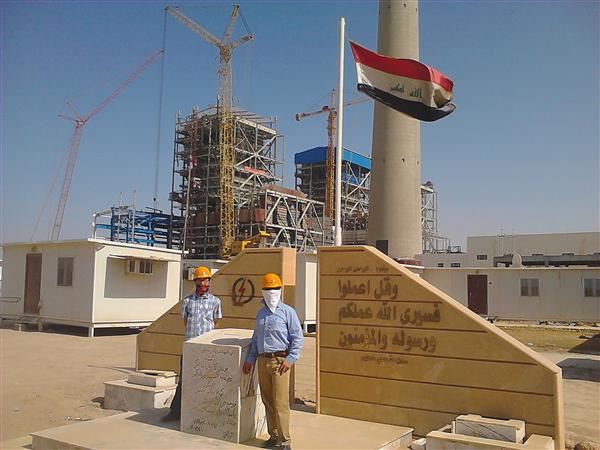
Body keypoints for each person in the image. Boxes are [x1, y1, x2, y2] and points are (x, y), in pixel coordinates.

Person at [242, 273, 303, 450]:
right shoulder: (261, 314)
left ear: (280, 290)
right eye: (268, 289)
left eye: (275, 289)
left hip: (280, 362)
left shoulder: (288, 312)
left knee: (280, 402)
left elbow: (297, 337)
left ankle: (284, 441)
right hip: (263, 361)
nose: (272, 292)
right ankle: (273, 436)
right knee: (268, 401)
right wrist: (250, 359)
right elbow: (256, 339)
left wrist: (290, 359)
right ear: (263, 291)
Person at [162, 266, 222, 421]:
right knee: (184, 380)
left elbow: (215, 321)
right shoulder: (188, 301)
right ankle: (175, 412)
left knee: (207, 381)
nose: (203, 283)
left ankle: (204, 413)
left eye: (206, 280)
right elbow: (185, 321)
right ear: (195, 281)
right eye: (200, 280)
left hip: (207, 349)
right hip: (190, 347)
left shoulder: (215, 302)